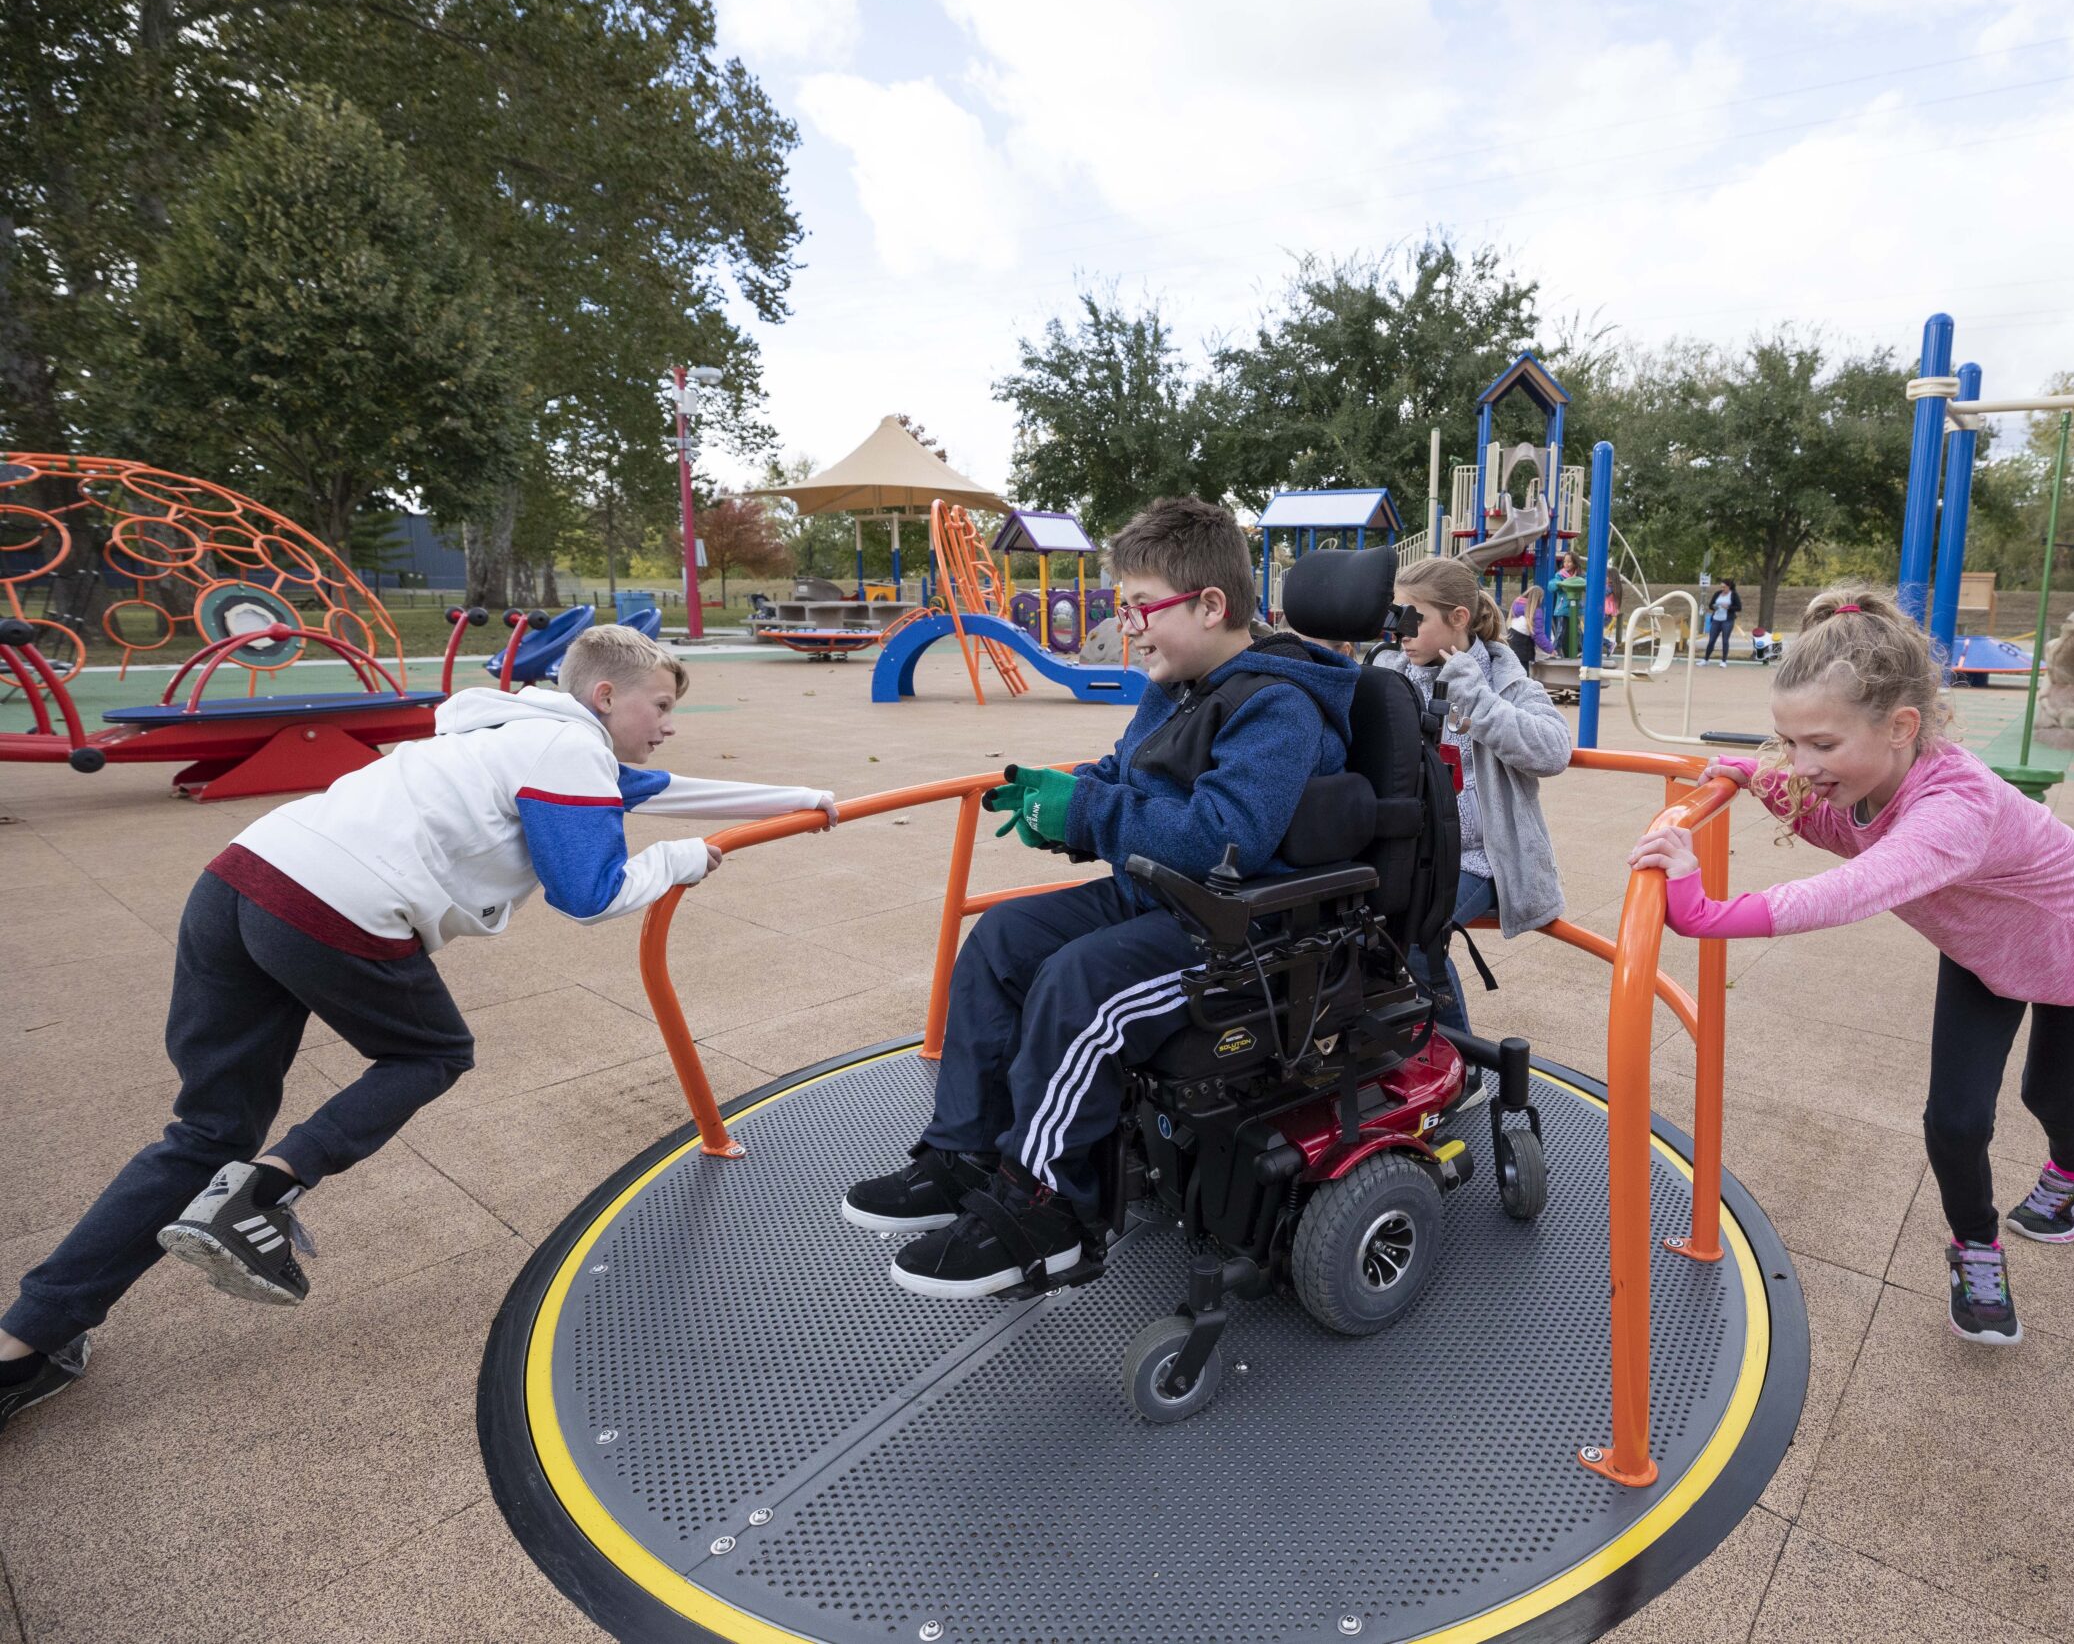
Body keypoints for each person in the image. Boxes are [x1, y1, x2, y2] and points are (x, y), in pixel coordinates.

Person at [0, 627, 836, 1429]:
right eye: (658, 706)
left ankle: (23, 1342)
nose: (667, 723)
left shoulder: (504, 731)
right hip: (332, 902)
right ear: (606, 694)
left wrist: (804, 801)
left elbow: (657, 790)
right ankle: (264, 1190)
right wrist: (686, 859)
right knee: (431, 1052)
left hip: (239, 878)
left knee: (208, 1128)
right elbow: (591, 892)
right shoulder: (570, 748)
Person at [843, 496, 1358, 1298]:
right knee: (1003, 941)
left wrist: (1091, 813)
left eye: (1139, 607)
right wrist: (1068, 794)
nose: (1128, 625)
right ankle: (966, 1151)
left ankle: (1047, 1211)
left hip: (1241, 932)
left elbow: (1226, 837)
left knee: (1080, 986)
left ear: (1210, 605)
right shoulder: (1177, 683)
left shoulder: (1277, 705)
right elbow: (1129, 776)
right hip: (1162, 899)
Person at [1629, 588, 2074, 1348]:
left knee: (2048, 1089)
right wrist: (1743, 774)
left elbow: (1855, 884)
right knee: (1954, 1118)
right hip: (1984, 952)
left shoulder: (1954, 809)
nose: (1800, 763)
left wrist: (1706, 914)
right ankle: (1976, 1247)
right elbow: (1831, 823)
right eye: (1787, 740)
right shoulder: (1868, 779)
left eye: (1822, 746)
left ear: (1902, 728)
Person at [1372, 558, 1571, 1079]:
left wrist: (1476, 699)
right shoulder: (1393, 672)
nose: (1401, 632)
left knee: (1410, 935)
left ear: (1459, 617)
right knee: (1352, 929)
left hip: (1481, 859)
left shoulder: (1504, 678)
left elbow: (1553, 751)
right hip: (1408, 853)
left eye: (1413, 619)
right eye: (1397, 616)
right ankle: (1403, 1053)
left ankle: (1461, 1069)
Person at [1506, 582, 1547, 667]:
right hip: (1523, 650)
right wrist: (1550, 650)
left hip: (1511, 646)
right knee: (1524, 675)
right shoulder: (1535, 612)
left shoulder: (1516, 607)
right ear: (1539, 598)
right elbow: (1538, 635)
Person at [1704, 580, 1738, 664]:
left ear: (1729, 587)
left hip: (1727, 620)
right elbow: (1710, 605)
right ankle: (1705, 660)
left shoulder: (1733, 595)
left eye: (1724, 587)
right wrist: (1714, 607)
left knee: (1725, 640)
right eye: (1721, 587)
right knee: (1711, 640)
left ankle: (1723, 661)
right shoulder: (1717, 594)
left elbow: (1738, 607)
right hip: (1716, 619)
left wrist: (1728, 607)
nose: (1722, 588)